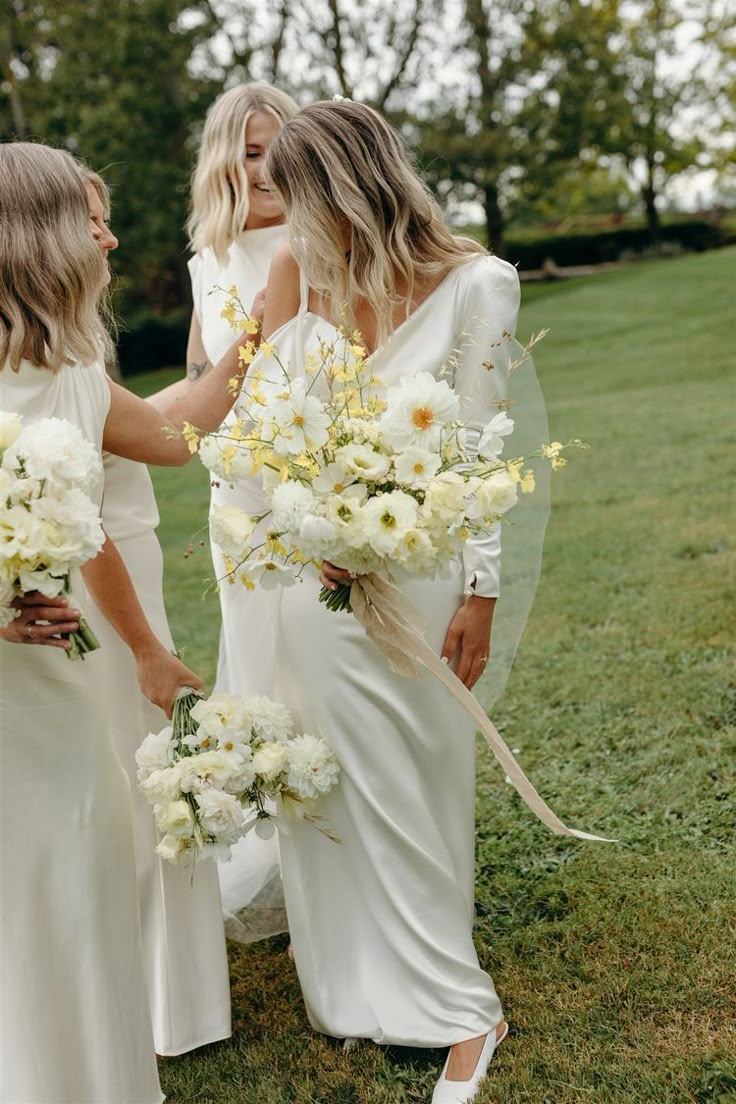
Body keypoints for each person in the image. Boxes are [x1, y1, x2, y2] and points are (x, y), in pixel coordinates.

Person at [254, 100, 523, 1104]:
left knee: (413, 781)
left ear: (344, 186)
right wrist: (301, 527)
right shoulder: (304, 281)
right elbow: (265, 428)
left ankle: (459, 1005)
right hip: (308, 580)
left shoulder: (477, 284)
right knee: (333, 782)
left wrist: (481, 595)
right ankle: (355, 986)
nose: (286, 223)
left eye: (295, 198)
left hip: (420, 568)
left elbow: (481, 448)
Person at [0, 140, 247, 1104]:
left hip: (55, 684)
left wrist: (257, 333)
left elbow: (172, 436)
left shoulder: (71, 376)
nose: (107, 241)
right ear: (48, 236)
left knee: (86, 853)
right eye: (88, 221)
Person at [81, 165, 232, 1056]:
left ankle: (133, 993)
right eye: (93, 223)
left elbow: (142, 417)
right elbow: (170, 439)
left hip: (97, 579)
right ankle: (167, 1007)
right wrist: (254, 343)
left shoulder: (59, 347)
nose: (110, 239)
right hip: (108, 594)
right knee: (138, 779)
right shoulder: (50, 356)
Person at [150, 81, 298, 942]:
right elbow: (204, 379)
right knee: (257, 661)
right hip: (236, 496)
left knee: (321, 659)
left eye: (279, 146)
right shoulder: (208, 259)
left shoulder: (323, 238)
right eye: (248, 150)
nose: (266, 164)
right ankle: (276, 843)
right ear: (221, 161)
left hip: (315, 483)